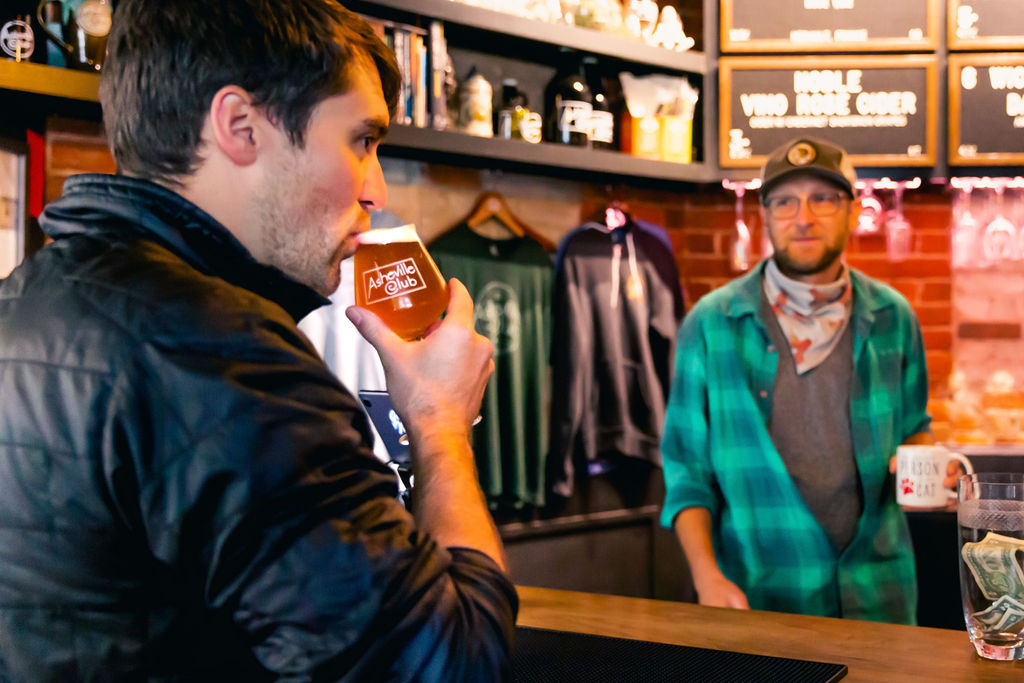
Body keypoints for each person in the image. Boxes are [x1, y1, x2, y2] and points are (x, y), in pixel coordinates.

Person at [0, 1, 515, 679]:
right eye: (362, 141)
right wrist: (439, 421)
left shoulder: (23, 300)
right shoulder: (224, 354)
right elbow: (450, 664)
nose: (377, 187)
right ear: (240, 126)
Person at [660, 136, 940, 624]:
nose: (803, 217)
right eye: (784, 201)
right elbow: (687, 474)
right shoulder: (712, 323)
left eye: (823, 199)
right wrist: (707, 577)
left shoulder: (893, 317)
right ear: (764, 215)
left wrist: (928, 460)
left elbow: (916, 428)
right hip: (756, 594)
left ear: (853, 212)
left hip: (880, 595)